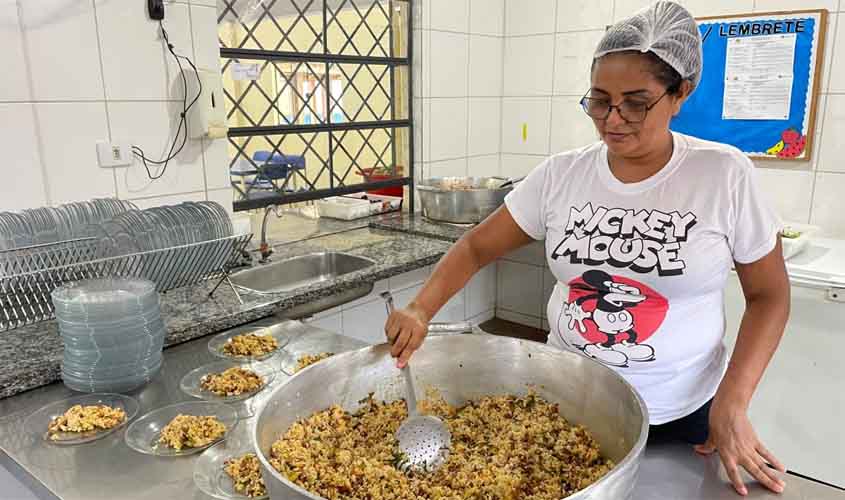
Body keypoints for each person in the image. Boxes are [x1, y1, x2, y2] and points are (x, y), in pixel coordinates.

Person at [385, 1, 791, 496]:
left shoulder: (722, 175)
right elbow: (475, 247)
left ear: (680, 93)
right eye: (599, 101)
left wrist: (734, 400)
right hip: (568, 401)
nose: (612, 119)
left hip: (680, 414)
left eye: (635, 103)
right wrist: (421, 308)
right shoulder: (562, 174)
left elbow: (770, 296)